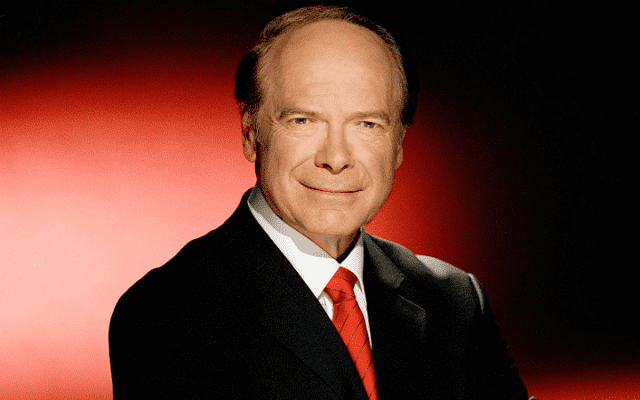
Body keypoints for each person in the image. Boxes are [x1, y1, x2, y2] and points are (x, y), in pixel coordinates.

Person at [109, 5, 534, 399]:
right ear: (251, 133)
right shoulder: (167, 314)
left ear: (399, 145)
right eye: (303, 120)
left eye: (367, 124)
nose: (335, 158)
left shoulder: (455, 301)